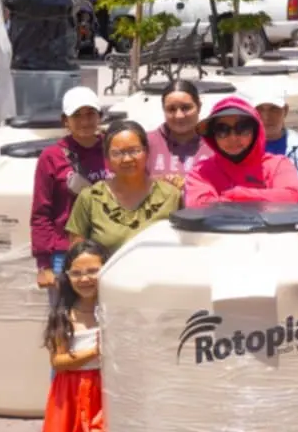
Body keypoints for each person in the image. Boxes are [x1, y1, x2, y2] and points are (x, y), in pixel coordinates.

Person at [39, 240, 108, 432]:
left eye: (94, 270)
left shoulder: (113, 310)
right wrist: (95, 352)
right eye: (77, 272)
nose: (86, 278)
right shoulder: (63, 314)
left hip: (103, 389)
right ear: (66, 276)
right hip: (67, 391)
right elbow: (59, 360)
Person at [32, 87, 108, 292]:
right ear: (65, 120)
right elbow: (41, 213)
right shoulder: (51, 157)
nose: (85, 121)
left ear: (100, 116)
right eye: (77, 115)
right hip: (64, 252)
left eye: (90, 114)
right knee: (62, 317)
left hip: (107, 248)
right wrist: (44, 265)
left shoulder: (113, 149)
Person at [65, 121, 181, 252]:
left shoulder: (171, 196)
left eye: (134, 151)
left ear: (147, 152)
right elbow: (77, 254)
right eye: (117, 153)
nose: (127, 159)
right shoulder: (90, 198)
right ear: (107, 158)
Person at [183, 97, 298, 207]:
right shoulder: (200, 172)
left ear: (256, 132)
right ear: (212, 136)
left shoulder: (279, 164)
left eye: (242, 128)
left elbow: (293, 197)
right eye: (222, 130)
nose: (233, 138)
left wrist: (237, 194)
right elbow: (199, 206)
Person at [248, 82, 298, 203]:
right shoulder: (241, 148)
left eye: (273, 109)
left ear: (285, 110)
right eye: (260, 109)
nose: (266, 116)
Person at [146, 80, 211, 186]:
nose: (179, 116)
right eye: (171, 109)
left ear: (199, 107)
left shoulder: (216, 144)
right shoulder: (146, 143)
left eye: (186, 108)